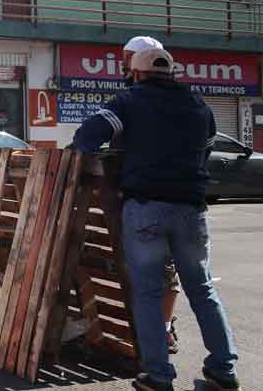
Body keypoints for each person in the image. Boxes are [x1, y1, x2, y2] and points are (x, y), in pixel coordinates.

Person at [73, 47, 238, 391]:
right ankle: (223, 370)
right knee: (202, 289)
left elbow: (88, 136)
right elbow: (206, 147)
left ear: (136, 73)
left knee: (148, 293)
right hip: (192, 210)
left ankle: (159, 376)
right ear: (171, 72)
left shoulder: (129, 101)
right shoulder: (198, 105)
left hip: (146, 207)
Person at [120, 36, 183, 355]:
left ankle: (162, 334)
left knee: (162, 271)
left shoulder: (139, 99)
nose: (124, 64)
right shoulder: (135, 97)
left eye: (129, 58)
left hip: (157, 199)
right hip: (169, 199)